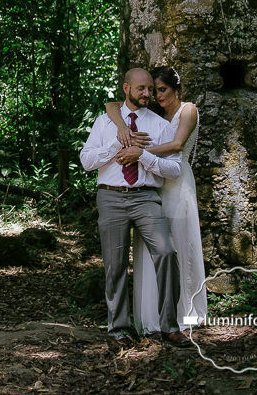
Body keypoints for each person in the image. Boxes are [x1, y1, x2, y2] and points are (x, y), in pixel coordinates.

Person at [80, 68, 191, 348]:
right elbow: (86, 160)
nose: (147, 94)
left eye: (150, 90)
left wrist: (142, 155)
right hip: (110, 198)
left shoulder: (159, 125)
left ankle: (170, 326)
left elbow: (175, 169)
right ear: (126, 88)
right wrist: (117, 145)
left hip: (145, 198)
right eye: (141, 88)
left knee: (166, 252)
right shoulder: (104, 123)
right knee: (114, 265)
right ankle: (118, 328)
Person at [104, 65, 207, 335]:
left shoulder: (188, 110)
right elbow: (112, 104)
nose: (157, 95)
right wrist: (121, 127)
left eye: (162, 89)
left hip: (177, 184)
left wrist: (138, 150)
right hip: (152, 187)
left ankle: (185, 310)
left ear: (176, 88)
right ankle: (150, 313)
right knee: (150, 252)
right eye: (152, 90)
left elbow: (176, 145)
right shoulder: (157, 115)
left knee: (177, 247)